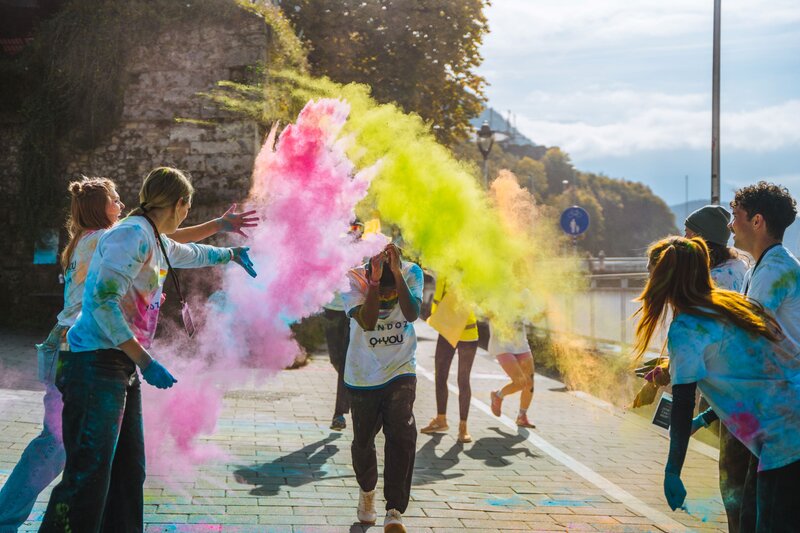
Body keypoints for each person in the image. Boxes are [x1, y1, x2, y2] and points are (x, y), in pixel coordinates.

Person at [0, 177, 256, 533]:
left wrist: (225, 248)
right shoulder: (114, 236)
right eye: (113, 198)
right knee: (68, 455)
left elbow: (171, 247)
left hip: (107, 354)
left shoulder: (127, 235)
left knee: (108, 464)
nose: (120, 201)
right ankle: (7, 517)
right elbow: (159, 248)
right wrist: (147, 361)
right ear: (179, 202)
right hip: (87, 353)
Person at [633, 236, 800, 532]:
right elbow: (755, 379)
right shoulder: (729, 303)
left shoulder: (686, 328)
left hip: (785, 442)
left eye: (650, 273)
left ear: (663, 279)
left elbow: (683, 402)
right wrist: (707, 416)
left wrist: (673, 470)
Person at [691, 183, 800, 532]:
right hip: (768, 409)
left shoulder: (774, 271)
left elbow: (745, 338)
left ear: (756, 221)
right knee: (749, 505)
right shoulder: (759, 268)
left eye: (735, 217)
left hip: (782, 417)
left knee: (761, 513)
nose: (729, 226)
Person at [341, 243, 423, 533]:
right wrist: (374, 283)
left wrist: (398, 274)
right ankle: (367, 494)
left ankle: (394, 510)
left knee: (401, 435)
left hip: (401, 368)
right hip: (363, 373)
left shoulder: (412, 273)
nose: (390, 296)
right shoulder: (354, 278)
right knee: (363, 442)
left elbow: (412, 314)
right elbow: (369, 320)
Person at [420, 277, 478, 443]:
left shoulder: (450, 271)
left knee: (449, 376)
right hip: (461, 330)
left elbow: (437, 302)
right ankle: (450, 423)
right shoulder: (471, 270)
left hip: (456, 330)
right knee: (455, 378)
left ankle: (454, 424)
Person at [323, 220, 364, 431]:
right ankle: (352, 384)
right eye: (353, 227)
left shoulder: (365, 251)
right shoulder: (336, 245)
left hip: (352, 312)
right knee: (336, 359)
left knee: (345, 361)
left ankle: (339, 413)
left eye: (359, 228)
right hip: (331, 308)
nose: (355, 232)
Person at [488, 322, 536, 428]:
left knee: (529, 383)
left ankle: (522, 416)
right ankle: (498, 396)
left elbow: (531, 316)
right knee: (520, 382)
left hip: (521, 345)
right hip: (502, 345)